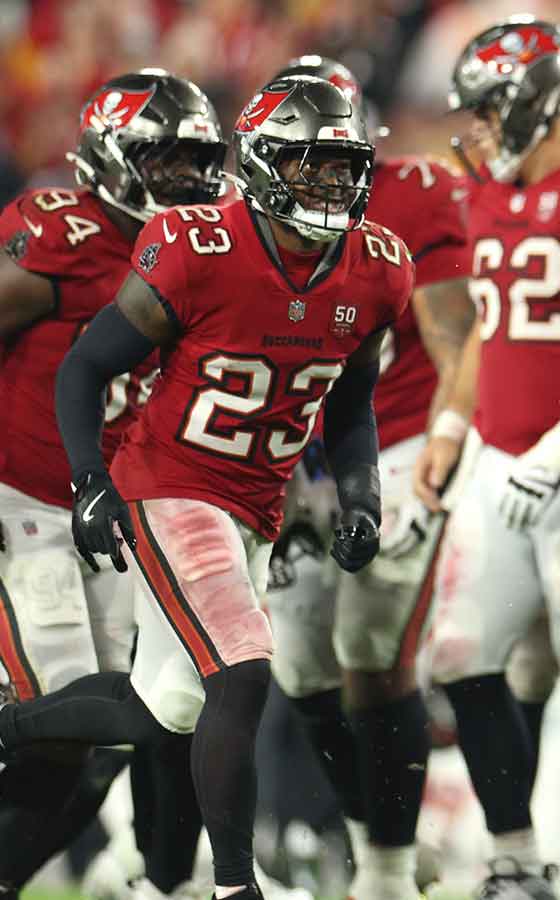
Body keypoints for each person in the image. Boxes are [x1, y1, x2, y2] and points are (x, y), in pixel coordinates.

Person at [0, 74, 411, 900]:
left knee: (159, 713)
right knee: (235, 667)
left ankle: (148, 876)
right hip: (109, 490)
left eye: (344, 167)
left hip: (220, 502)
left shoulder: (372, 266)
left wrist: (354, 496)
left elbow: (343, 403)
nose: (185, 176)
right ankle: (229, 886)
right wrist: (89, 478)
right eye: (164, 159)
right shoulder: (147, 243)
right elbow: (85, 369)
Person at [414, 18, 560, 899]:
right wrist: (449, 424)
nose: (473, 130)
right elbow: (491, 324)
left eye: (485, 110)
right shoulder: (489, 196)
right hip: (500, 466)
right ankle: (513, 854)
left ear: (534, 102)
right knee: (460, 653)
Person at [0, 68, 225, 900]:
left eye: (197, 161)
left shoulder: (206, 247)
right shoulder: (63, 235)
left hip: (112, 517)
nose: (186, 179)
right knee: (60, 719)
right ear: (110, 155)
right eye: (165, 160)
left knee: (104, 737)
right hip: (23, 500)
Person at [256, 55, 473, 900]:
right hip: (289, 455)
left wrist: (441, 455)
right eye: (301, 152)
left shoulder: (413, 197)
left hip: (397, 443)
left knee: (376, 658)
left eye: (335, 151)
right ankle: (368, 839)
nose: (320, 170)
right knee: (301, 670)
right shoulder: (235, 222)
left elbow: (456, 336)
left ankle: (384, 869)